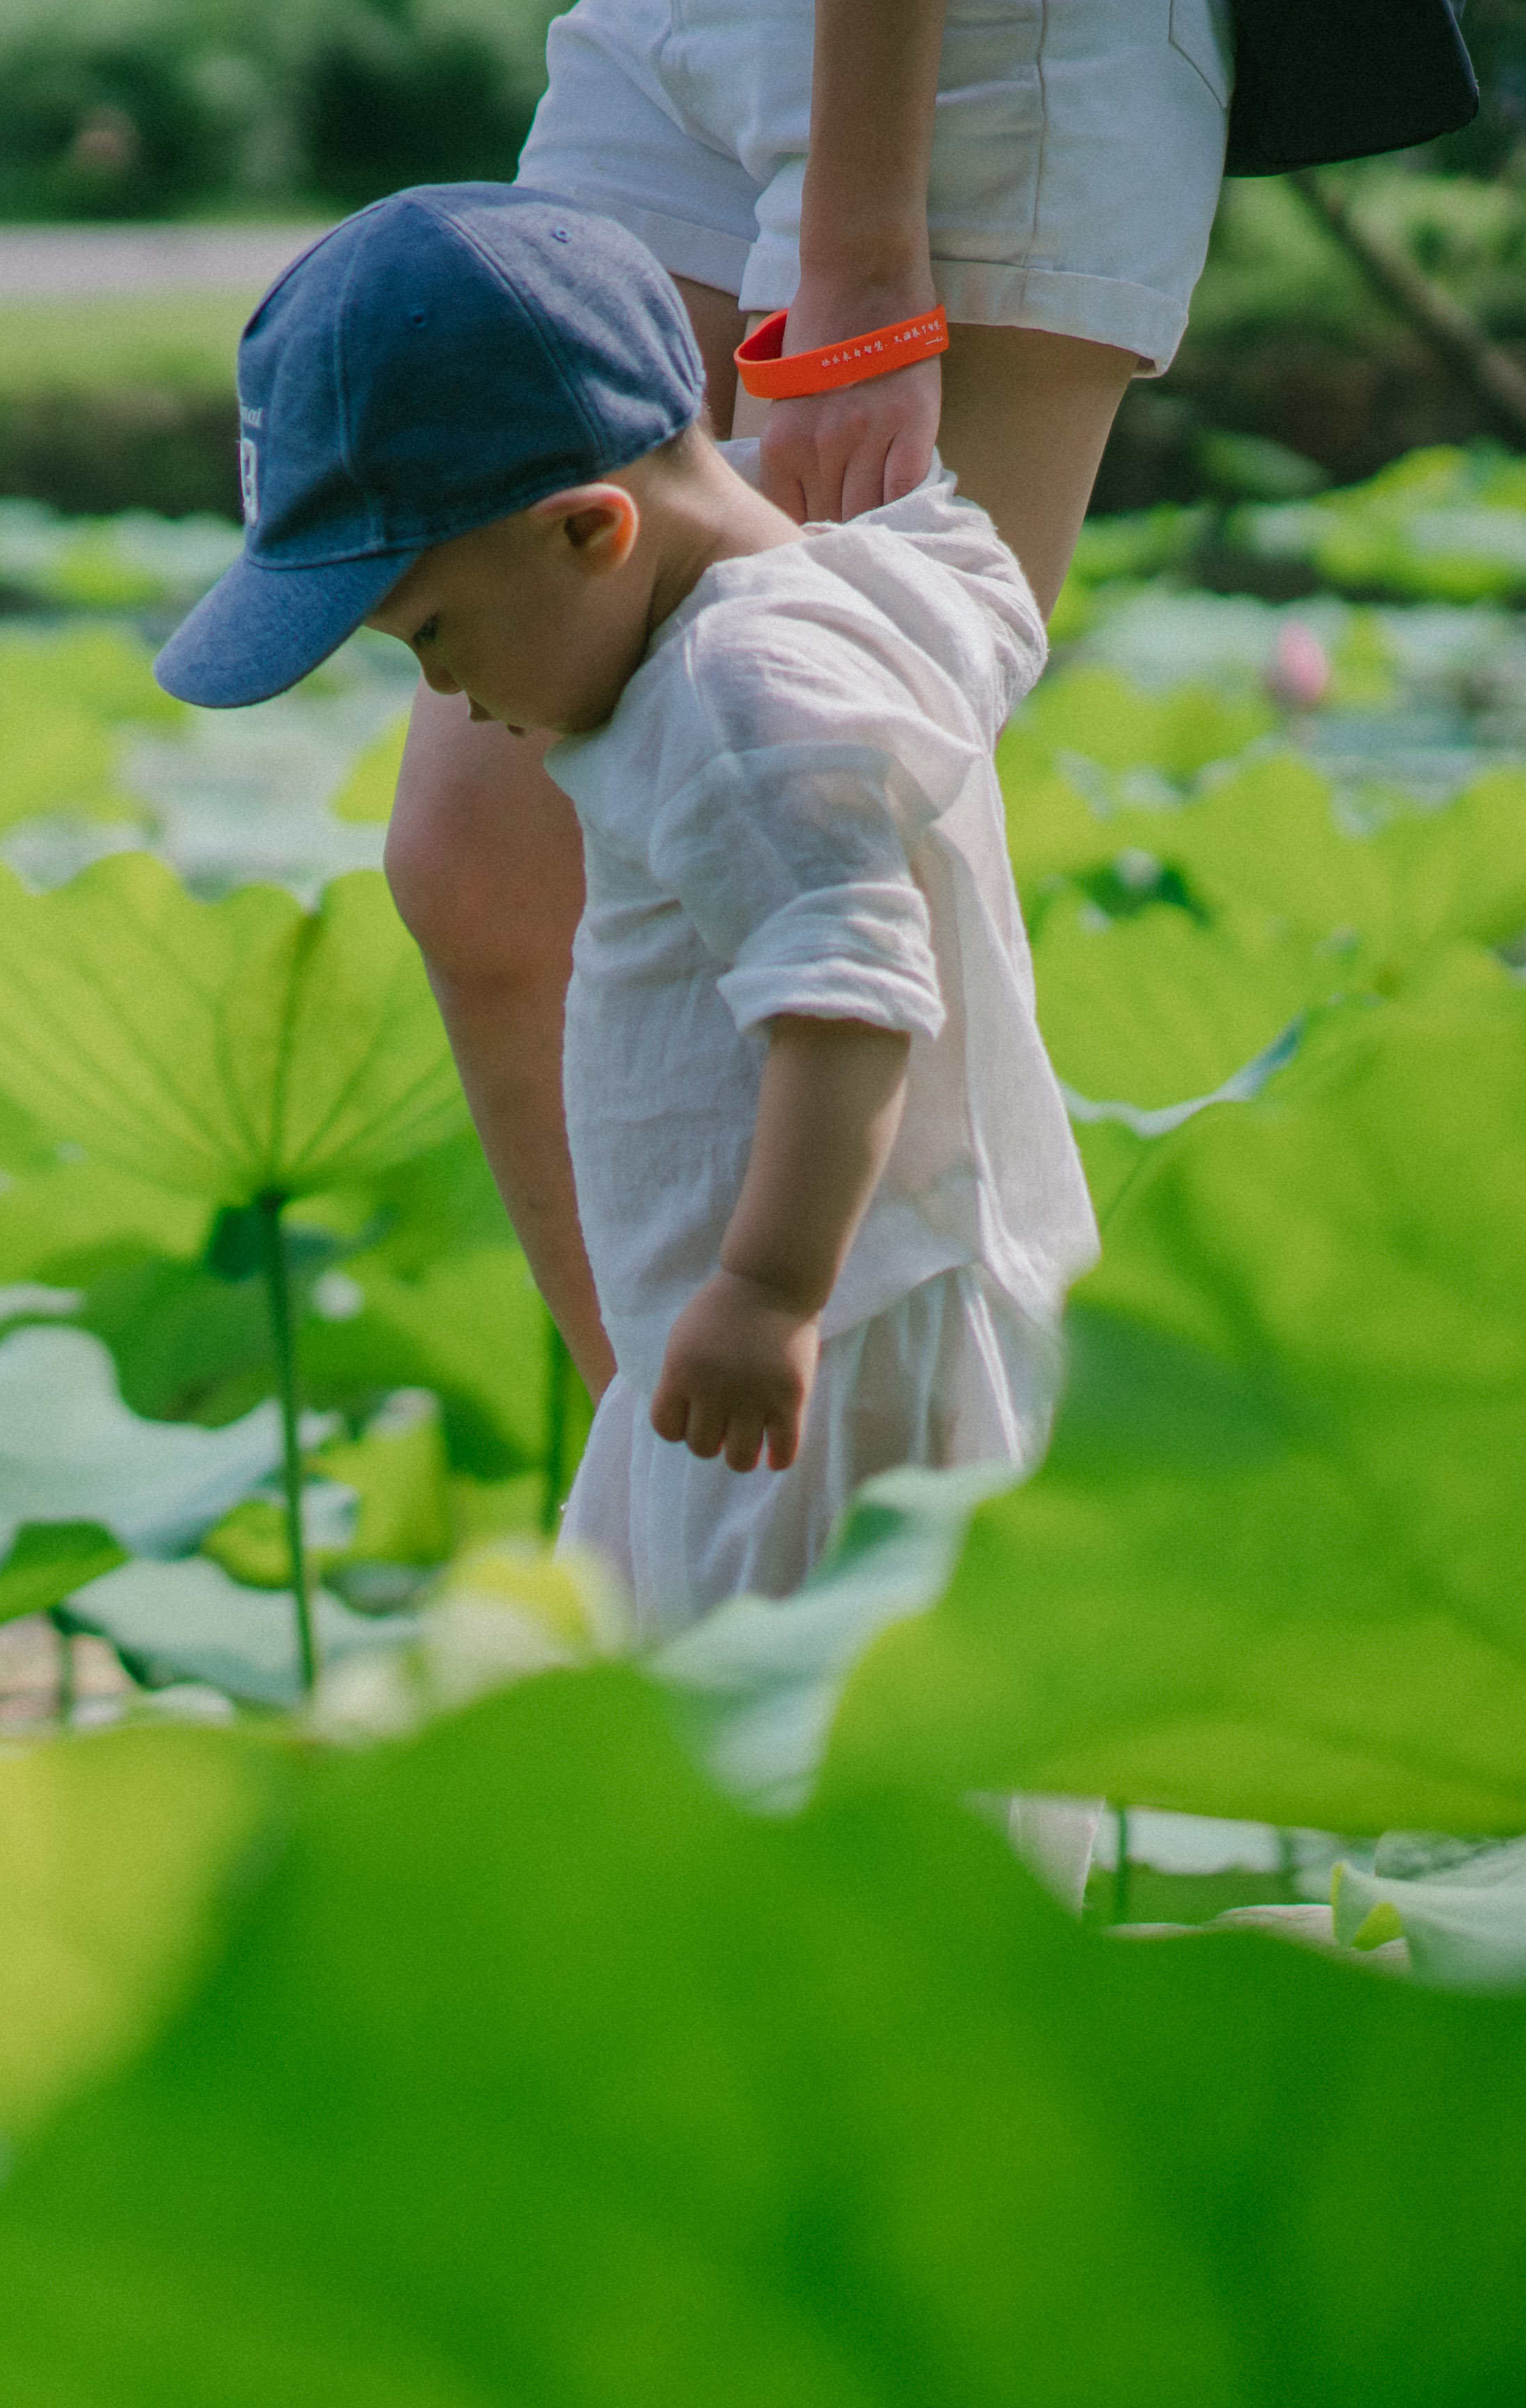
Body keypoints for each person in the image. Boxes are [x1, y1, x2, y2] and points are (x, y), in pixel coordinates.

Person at [230, 0, 1232, 1451]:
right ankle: (693, 1561)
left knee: (835, 851)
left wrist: (857, 278)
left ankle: (919, 1662)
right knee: (485, 871)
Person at [156, 187, 1094, 1630]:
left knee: (786, 1798)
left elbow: (852, 991)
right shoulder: (832, 596)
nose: (442, 692)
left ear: (589, 530)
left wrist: (766, 1290)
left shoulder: (743, 695)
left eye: (429, 633)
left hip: (821, 1358)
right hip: (793, 1336)